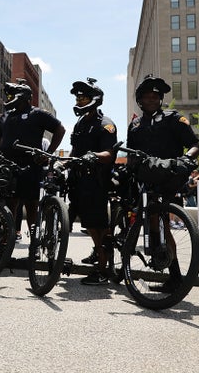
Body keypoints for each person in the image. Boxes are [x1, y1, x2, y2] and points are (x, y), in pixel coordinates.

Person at [126, 74, 199, 292]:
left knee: (165, 227)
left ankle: (175, 277)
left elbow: (195, 146)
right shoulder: (136, 124)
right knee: (151, 224)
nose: (151, 100)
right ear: (140, 100)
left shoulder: (173, 118)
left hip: (169, 179)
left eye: (155, 96)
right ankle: (159, 262)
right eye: (147, 96)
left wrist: (187, 159)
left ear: (160, 99)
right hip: (145, 180)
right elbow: (131, 154)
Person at [0, 79, 65, 231]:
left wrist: (48, 152)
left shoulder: (37, 114)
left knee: (31, 205)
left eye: (12, 95)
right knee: (9, 204)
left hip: (30, 166)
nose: (9, 98)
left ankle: (34, 244)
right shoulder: (6, 116)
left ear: (23, 96)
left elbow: (60, 129)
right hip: (8, 166)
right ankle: (6, 241)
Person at [67, 79, 117, 285]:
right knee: (88, 224)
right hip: (78, 180)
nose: (79, 101)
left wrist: (93, 155)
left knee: (97, 226)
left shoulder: (105, 123)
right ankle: (98, 254)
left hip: (96, 181)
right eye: (78, 98)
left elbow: (110, 153)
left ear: (94, 100)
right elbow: (75, 150)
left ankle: (103, 270)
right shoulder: (80, 123)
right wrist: (65, 163)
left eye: (83, 98)